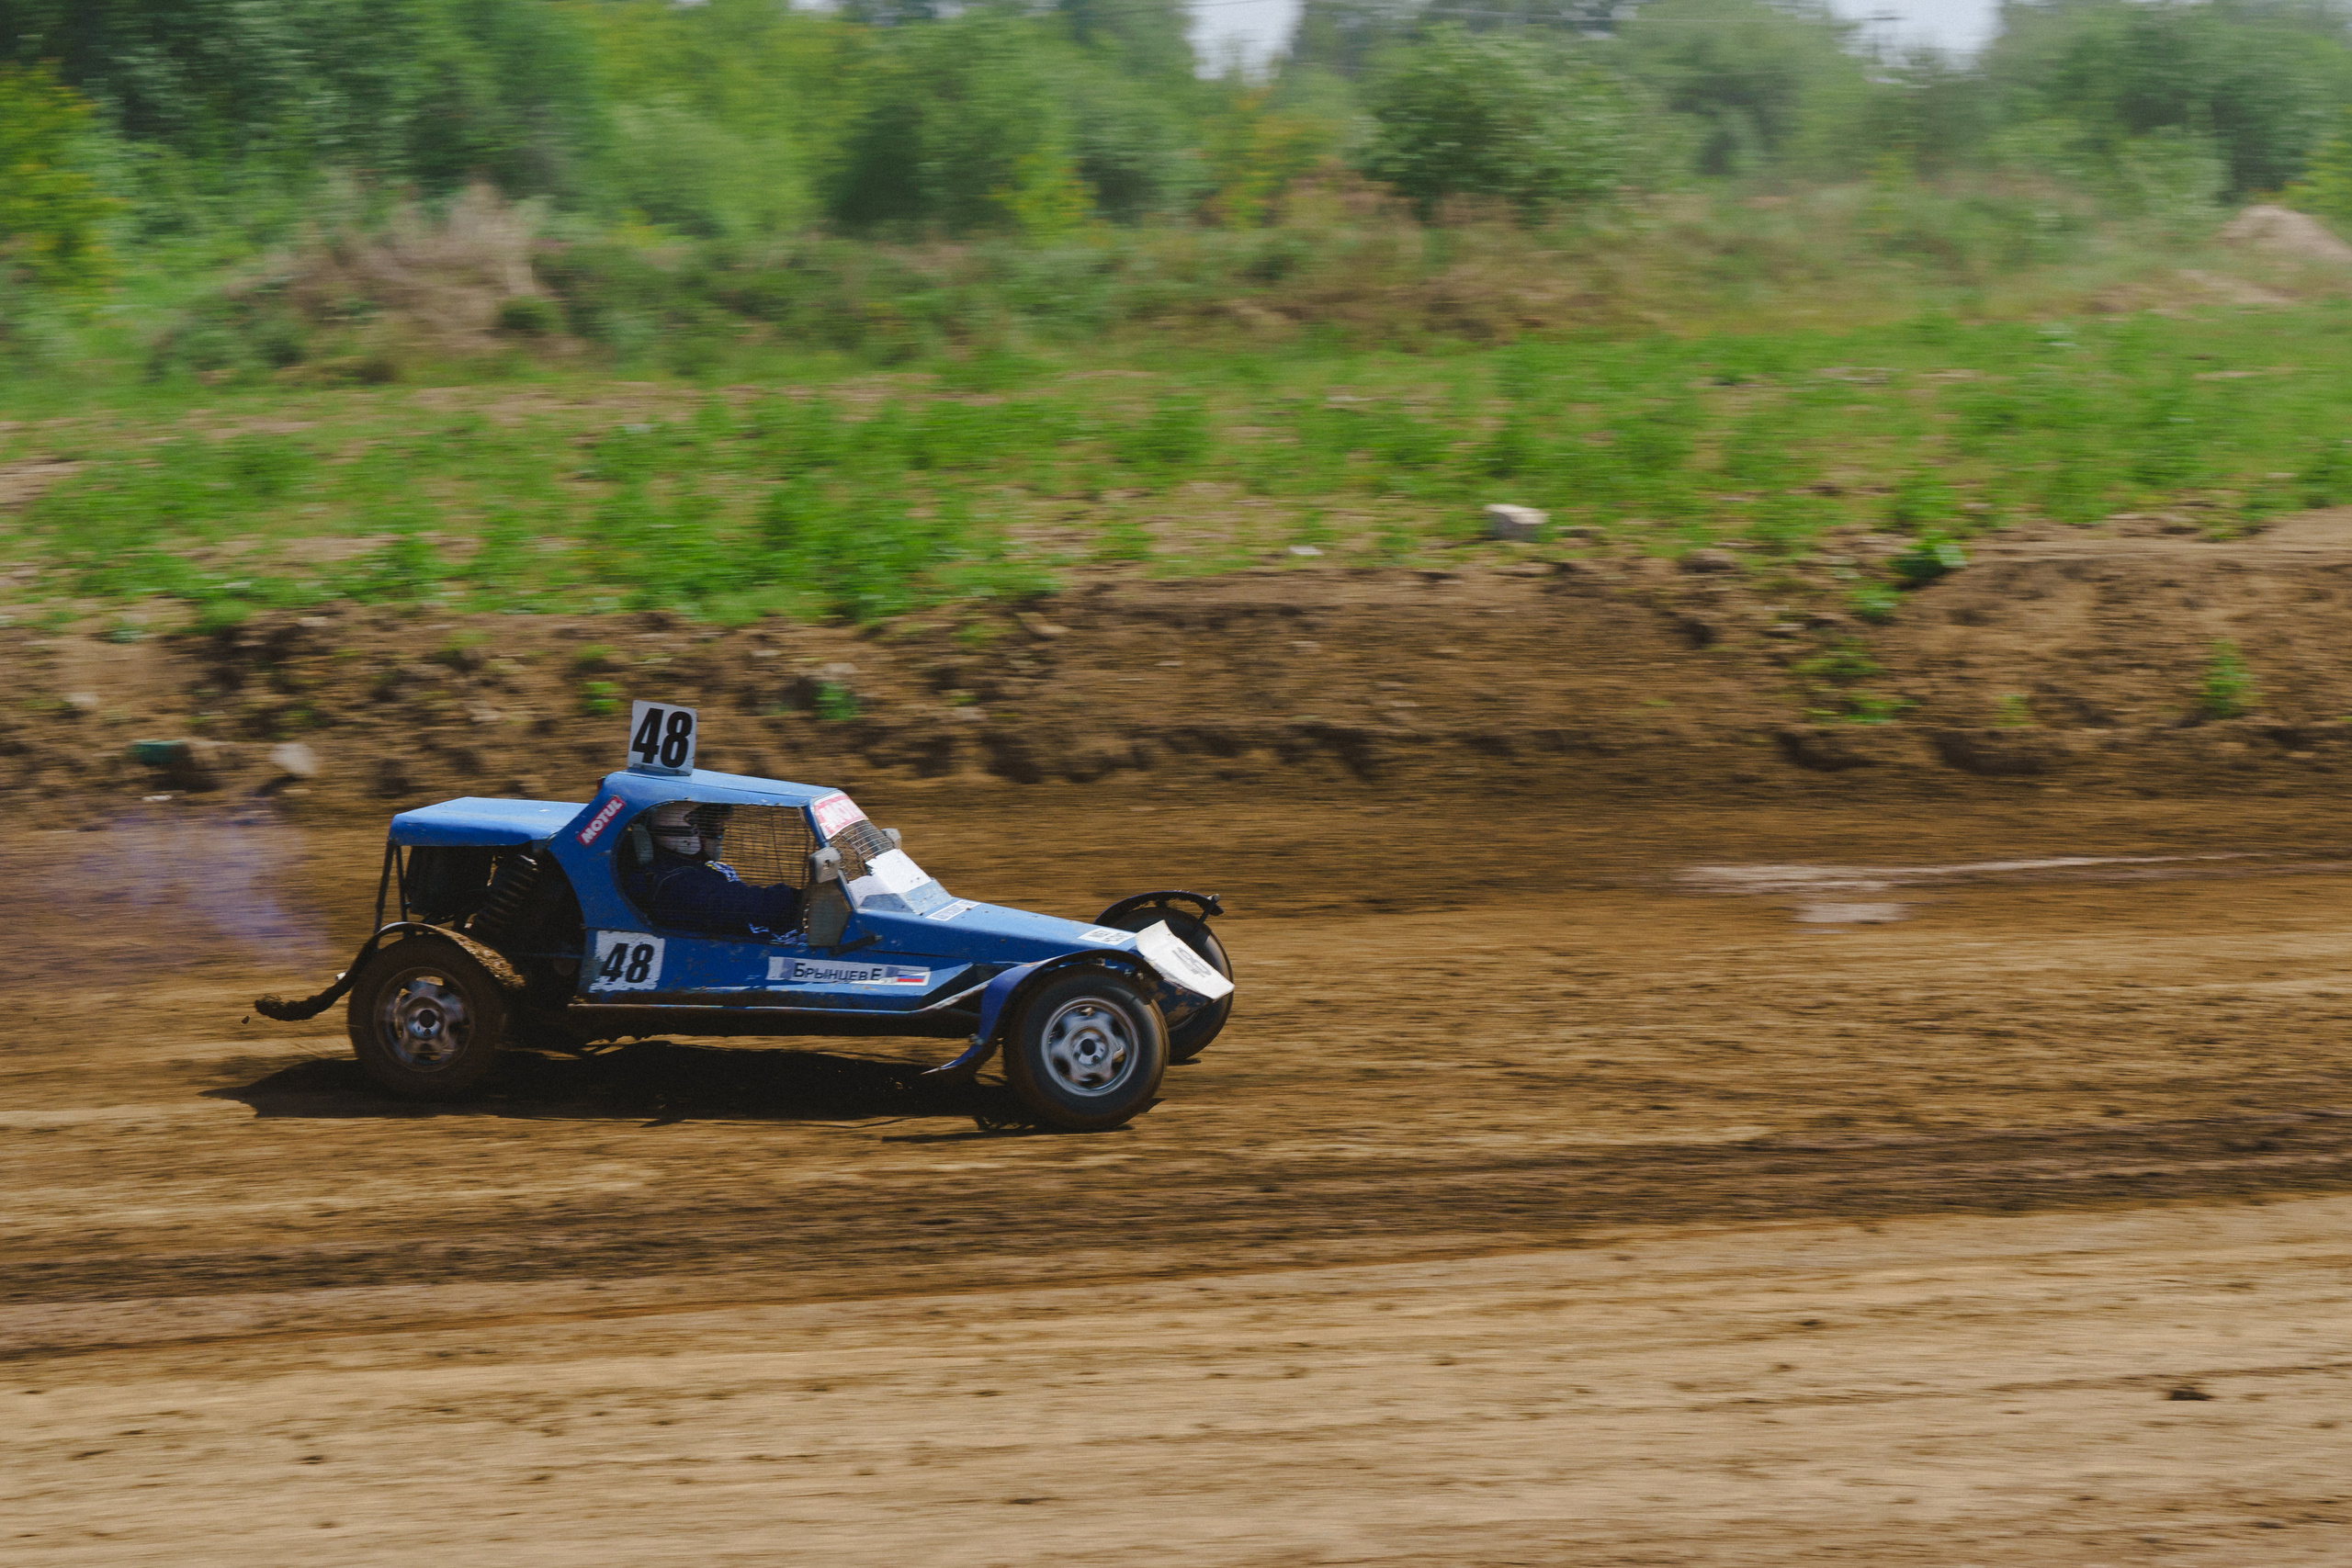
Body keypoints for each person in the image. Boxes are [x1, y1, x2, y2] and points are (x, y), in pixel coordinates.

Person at [626, 801, 801, 939]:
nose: (721, 835)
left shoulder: (698, 870)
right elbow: (735, 904)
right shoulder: (673, 882)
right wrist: (794, 899)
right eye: (716, 829)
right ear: (689, 833)